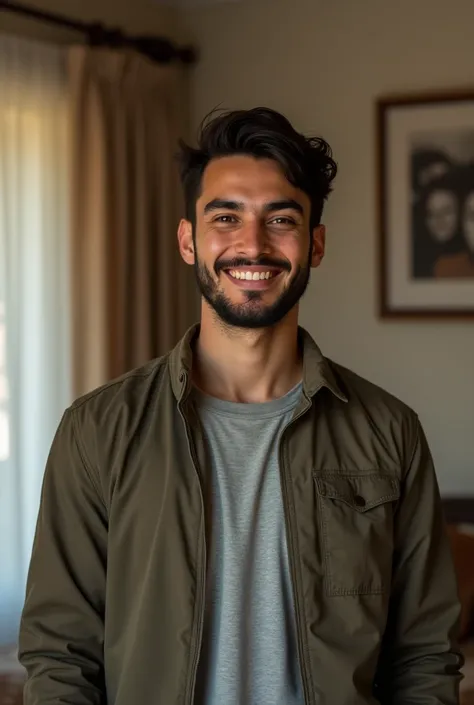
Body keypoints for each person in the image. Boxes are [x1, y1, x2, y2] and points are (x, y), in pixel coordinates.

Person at [19, 107, 463, 704]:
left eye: (281, 219)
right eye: (225, 217)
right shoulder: (97, 430)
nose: (251, 244)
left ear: (316, 243)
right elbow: (60, 652)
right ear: (187, 241)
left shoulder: (389, 431)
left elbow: (425, 654)